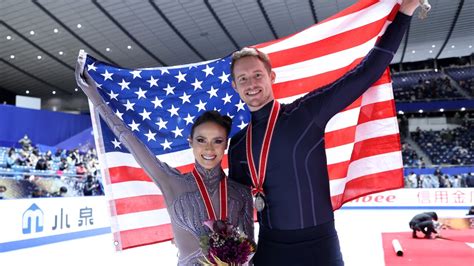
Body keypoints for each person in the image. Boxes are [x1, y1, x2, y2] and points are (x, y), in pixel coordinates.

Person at [227, 1, 423, 265]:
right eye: (243, 79)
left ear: (272, 77)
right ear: (235, 86)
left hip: (320, 247)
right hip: (271, 250)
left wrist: (405, 12)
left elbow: (367, 72)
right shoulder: (239, 145)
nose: (251, 83)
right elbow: (236, 210)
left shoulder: (305, 114)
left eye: (257, 75)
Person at [75, 66, 254, 265]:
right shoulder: (171, 181)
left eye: (217, 141)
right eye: (201, 140)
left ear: (225, 144)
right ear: (190, 143)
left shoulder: (241, 192)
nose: (209, 148)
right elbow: (128, 139)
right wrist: (95, 97)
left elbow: (250, 250)